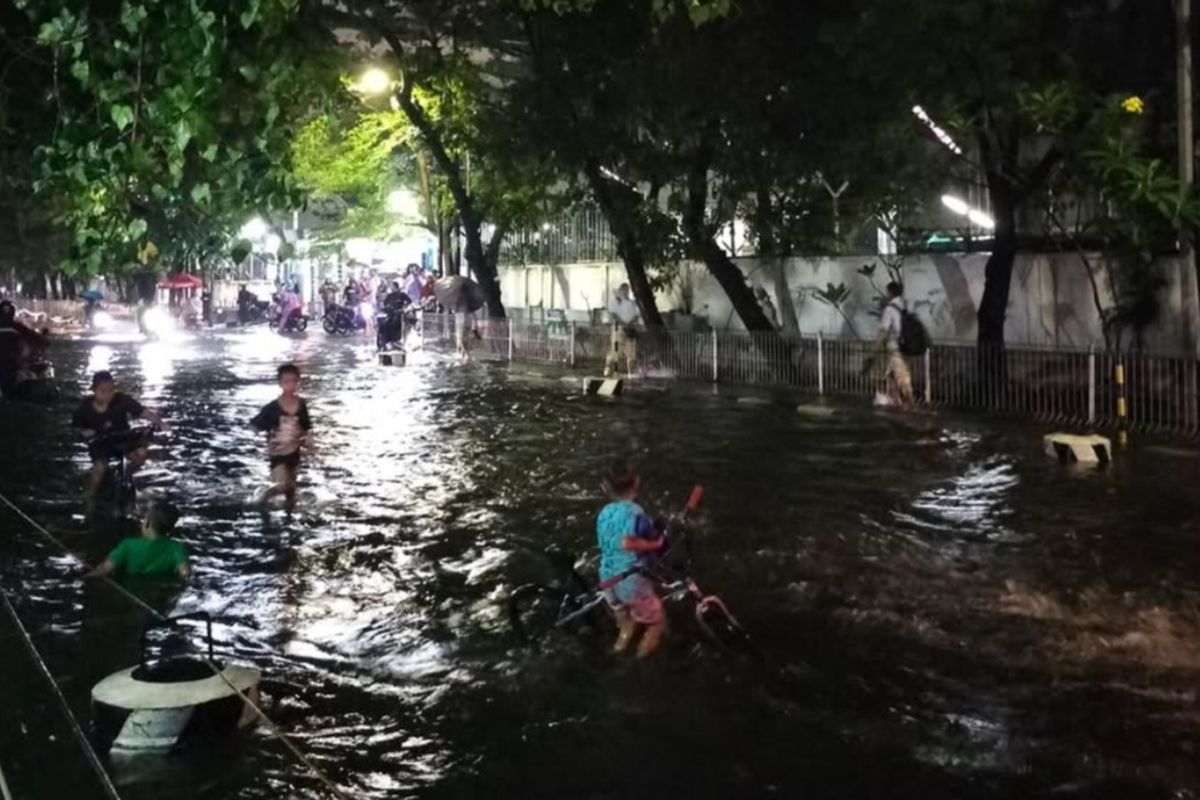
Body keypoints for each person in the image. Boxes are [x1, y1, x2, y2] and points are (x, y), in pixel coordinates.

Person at [596, 461, 666, 659]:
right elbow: (628, 543)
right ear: (636, 482)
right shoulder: (635, 512)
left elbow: (609, 542)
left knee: (624, 619)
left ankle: (621, 643)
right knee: (656, 621)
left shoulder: (605, 512)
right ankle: (638, 662)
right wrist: (656, 544)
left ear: (606, 487)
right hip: (630, 583)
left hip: (607, 579)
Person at [71, 371, 167, 507]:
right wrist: (86, 433)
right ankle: (89, 497)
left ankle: (128, 475)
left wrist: (160, 423)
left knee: (141, 453)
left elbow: (144, 412)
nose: (107, 395)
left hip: (124, 439)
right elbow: (76, 428)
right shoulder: (84, 407)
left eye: (111, 390)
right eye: (102, 391)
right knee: (99, 468)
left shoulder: (122, 400)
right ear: (93, 390)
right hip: (100, 443)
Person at [250, 363, 312, 510]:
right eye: (286, 382)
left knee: (291, 491)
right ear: (280, 384)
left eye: (293, 381)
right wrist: (270, 437)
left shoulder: (301, 405)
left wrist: (307, 440)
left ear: (298, 382)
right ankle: (263, 495)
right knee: (282, 485)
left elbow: (306, 426)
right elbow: (254, 424)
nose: (290, 385)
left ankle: (288, 520)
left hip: (294, 451)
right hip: (277, 453)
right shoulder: (272, 408)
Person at [86, 501, 190, 580]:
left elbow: (104, 570)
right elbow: (185, 574)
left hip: (131, 587)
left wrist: (83, 576)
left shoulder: (128, 545)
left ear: (147, 523)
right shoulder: (176, 548)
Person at [877, 281, 914, 406]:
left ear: (890, 292)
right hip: (905, 345)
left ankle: (911, 404)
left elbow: (883, 330)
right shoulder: (904, 306)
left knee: (902, 377)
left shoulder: (890, 309)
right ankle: (895, 400)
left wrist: (875, 346)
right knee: (890, 374)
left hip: (895, 347)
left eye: (887, 292)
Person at [606, 283, 640, 377]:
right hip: (619, 330)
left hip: (630, 329)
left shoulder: (632, 303)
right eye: (624, 290)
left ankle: (630, 373)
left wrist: (630, 323)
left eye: (628, 290)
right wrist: (624, 323)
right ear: (621, 290)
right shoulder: (616, 301)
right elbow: (614, 315)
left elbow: (636, 316)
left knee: (631, 353)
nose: (626, 292)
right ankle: (608, 368)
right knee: (615, 351)